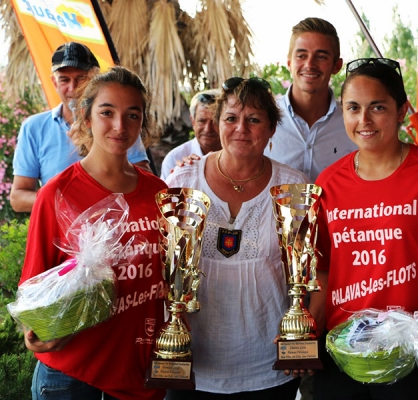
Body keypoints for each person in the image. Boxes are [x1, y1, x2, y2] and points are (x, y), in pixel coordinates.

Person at [308, 58, 418, 399]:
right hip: (343, 356)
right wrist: (307, 329)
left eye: (377, 107)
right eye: (353, 108)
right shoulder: (328, 183)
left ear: (402, 110)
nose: (364, 120)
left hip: (412, 359)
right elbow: (322, 269)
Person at [19, 66, 167, 399]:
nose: (120, 126)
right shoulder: (57, 193)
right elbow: (33, 283)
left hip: (134, 369)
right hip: (70, 374)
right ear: (86, 118)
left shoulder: (159, 193)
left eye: (132, 114)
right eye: (107, 112)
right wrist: (37, 330)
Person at [164, 77, 307, 400]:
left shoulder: (292, 186)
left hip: (268, 366)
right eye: (231, 118)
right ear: (217, 124)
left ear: (271, 130)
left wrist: (302, 337)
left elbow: (312, 272)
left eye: (254, 119)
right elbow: (164, 267)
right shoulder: (183, 180)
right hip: (192, 362)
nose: (241, 128)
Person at [10, 42, 150, 213]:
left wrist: (96, 147)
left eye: (81, 79)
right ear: (54, 83)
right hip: (61, 235)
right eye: (64, 79)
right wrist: (70, 201)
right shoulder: (34, 127)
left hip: (117, 232)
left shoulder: (118, 125)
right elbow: (18, 198)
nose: (73, 88)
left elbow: (146, 183)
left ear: (94, 81)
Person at [267, 17, 357, 182]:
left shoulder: (353, 125)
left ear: (337, 66)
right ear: (289, 62)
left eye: (321, 57)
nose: (310, 64)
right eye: (301, 55)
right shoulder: (264, 120)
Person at [160, 89, 222, 180]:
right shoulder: (174, 159)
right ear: (193, 122)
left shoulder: (238, 155)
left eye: (215, 122)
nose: (208, 129)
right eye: (202, 121)